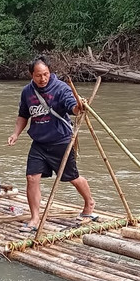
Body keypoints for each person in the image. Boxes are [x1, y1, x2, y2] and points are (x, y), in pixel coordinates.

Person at [7, 56, 96, 231]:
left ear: (50, 72)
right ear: (31, 75)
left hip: (61, 141)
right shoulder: (27, 92)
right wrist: (16, 133)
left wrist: (79, 107)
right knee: (31, 178)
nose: (43, 78)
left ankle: (90, 202)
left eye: (46, 74)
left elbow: (72, 107)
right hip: (39, 142)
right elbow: (23, 115)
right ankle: (35, 218)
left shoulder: (61, 88)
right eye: (38, 75)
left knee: (72, 177)